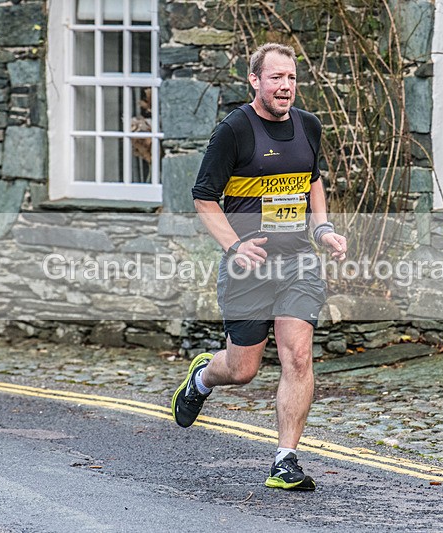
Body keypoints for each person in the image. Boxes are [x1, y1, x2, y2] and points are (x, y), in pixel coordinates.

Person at [171, 42, 346, 491]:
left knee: (298, 355)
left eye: (290, 78)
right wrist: (234, 247)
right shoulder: (234, 130)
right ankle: (203, 378)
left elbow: (313, 180)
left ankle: (285, 460)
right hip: (249, 266)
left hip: (299, 262)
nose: (285, 87)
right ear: (255, 80)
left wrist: (323, 229)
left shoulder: (308, 126)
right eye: (275, 78)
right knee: (243, 368)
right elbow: (204, 197)